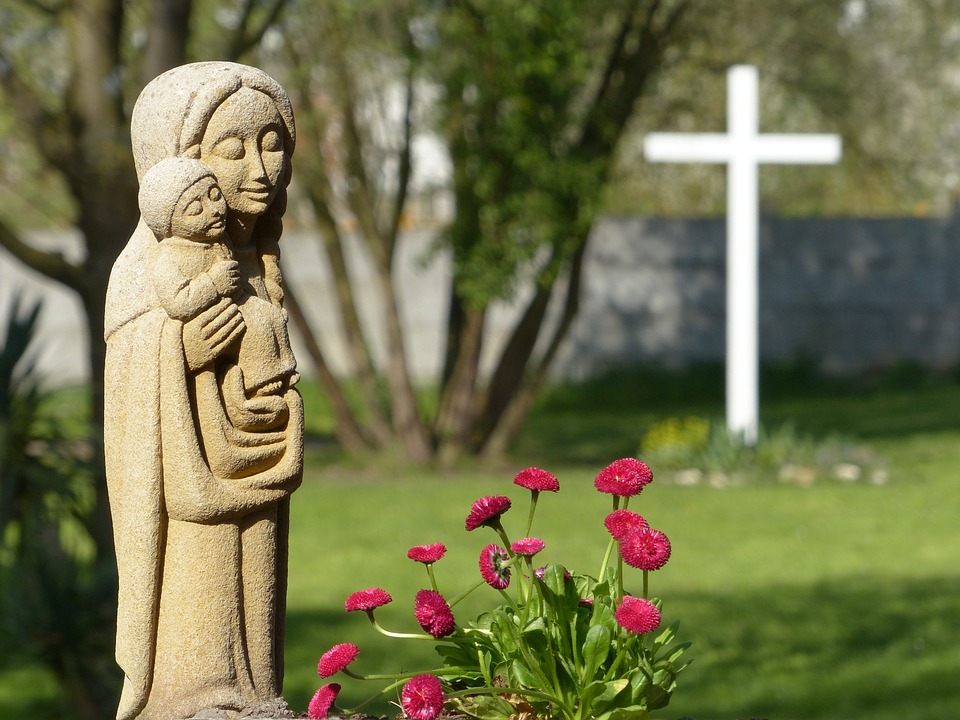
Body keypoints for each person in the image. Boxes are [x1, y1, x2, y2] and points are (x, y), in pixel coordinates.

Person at [104, 62, 302, 720]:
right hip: (190, 468)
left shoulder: (258, 261)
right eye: (233, 148)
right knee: (206, 567)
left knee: (259, 563)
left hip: (259, 439)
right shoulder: (147, 272)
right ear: (177, 165)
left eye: (272, 143)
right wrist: (182, 350)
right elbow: (132, 377)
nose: (260, 167)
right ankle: (194, 695)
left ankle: (254, 691)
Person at [139, 157, 298, 425]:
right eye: (195, 210)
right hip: (218, 315)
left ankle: (282, 369)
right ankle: (259, 384)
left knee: (270, 314)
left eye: (215, 196)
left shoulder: (219, 239)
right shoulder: (170, 257)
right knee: (255, 325)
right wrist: (213, 284)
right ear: (168, 222)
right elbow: (178, 302)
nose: (213, 210)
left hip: (237, 302)